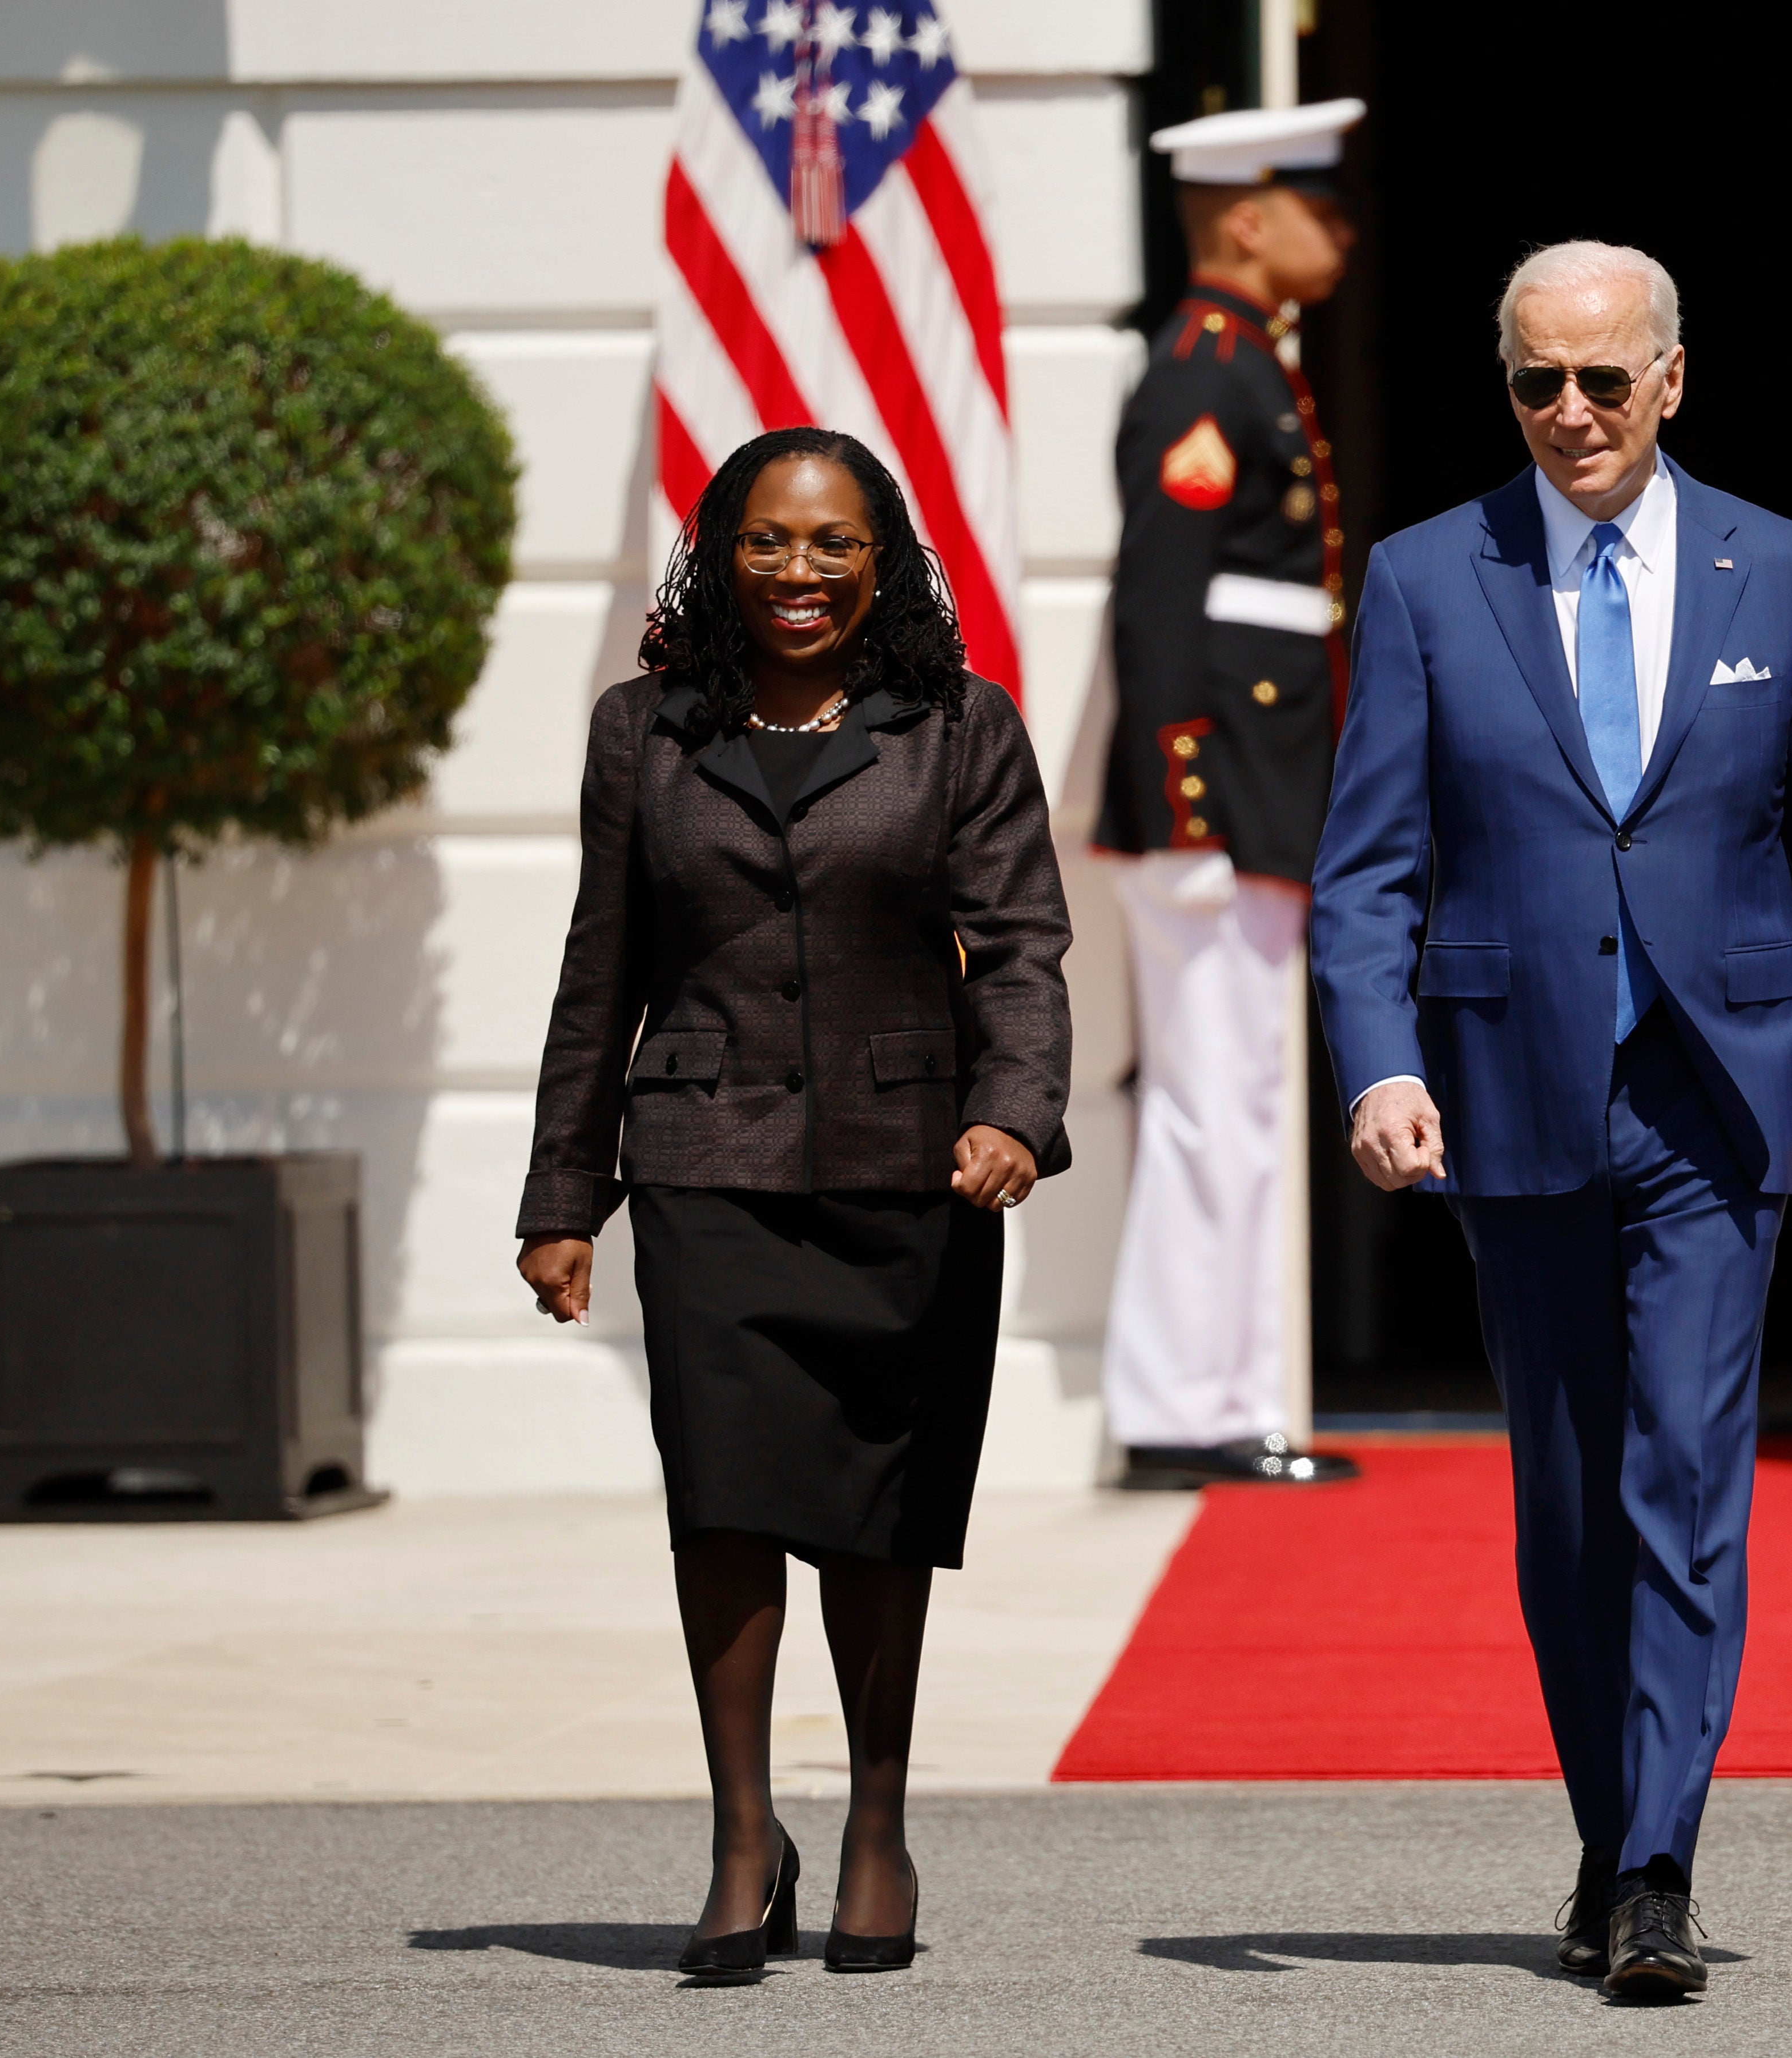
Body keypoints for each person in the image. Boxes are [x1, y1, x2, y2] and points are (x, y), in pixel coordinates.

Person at [1311, 242, 1792, 1999]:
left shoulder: (1783, 572)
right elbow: (1363, 872)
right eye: (1533, 383)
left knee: (1684, 1483)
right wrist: (1377, 1060)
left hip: (1717, 1099)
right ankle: (1602, 1823)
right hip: (1510, 1088)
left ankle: (1656, 1860)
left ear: (1669, 378)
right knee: (1563, 1496)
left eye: (1600, 379)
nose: (1568, 413)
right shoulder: (1426, 576)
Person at [515, 427, 1072, 1980]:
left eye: (832, 543)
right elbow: (599, 967)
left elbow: (1021, 947)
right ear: (719, 553)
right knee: (727, 1501)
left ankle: (878, 1823)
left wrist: (1009, 1112)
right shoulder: (643, 731)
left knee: (880, 1513)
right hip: (703, 1167)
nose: (800, 573)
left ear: (880, 557)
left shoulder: (960, 728)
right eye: (767, 541)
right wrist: (566, 1193)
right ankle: (743, 1833)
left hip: (910, 1173)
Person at [1093, 99, 1369, 1492]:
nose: (1344, 230)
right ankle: (1178, 1404)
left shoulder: (1249, 364)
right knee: (1212, 1103)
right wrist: (1189, 801)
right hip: (1215, 809)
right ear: (1249, 220)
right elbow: (1160, 611)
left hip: (1257, 806)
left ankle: (1231, 1394)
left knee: (1244, 1102)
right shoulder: (1204, 375)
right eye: (1322, 206)